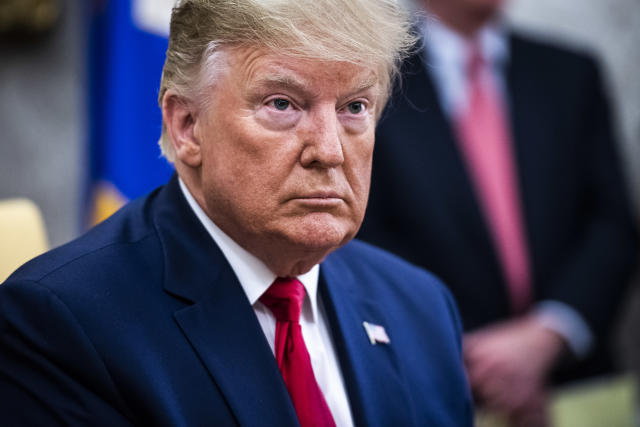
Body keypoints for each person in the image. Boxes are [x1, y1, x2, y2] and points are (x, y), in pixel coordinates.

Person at [0, 0, 473, 425]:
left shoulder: (420, 308)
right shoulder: (61, 325)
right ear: (187, 126)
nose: (329, 152)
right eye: (282, 104)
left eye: (354, 107)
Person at [358, 0, 638, 424]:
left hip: (576, 387)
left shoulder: (568, 72)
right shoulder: (368, 79)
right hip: (436, 386)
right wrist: (474, 356)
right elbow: (361, 236)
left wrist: (549, 335)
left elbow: (610, 225)